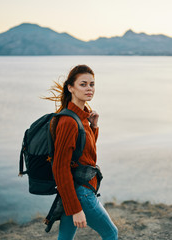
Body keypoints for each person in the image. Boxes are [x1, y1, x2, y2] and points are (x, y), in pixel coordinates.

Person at [45, 64, 118, 240]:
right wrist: (75, 209)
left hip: (77, 189)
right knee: (111, 233)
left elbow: (84, 153)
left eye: (92, 84)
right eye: (83, 84)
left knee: (65, 237)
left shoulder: (81, 117)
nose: (89, 89)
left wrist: (93, 127)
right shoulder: (69, 121)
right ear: (71, 87)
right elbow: (60, 167)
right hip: (80, 193)